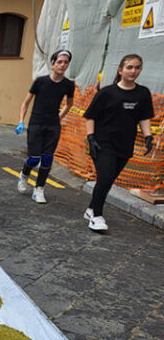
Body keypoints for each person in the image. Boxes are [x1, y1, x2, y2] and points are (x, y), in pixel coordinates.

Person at [83, 54, 153, 231]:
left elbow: (144, 117)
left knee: (108, 181)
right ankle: (96, 216)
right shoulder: (107, 93)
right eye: (129, 67)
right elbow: (90, 117)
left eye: (137, 67)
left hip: (125, 145)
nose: (133, 71)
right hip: (103, 143)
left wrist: (148, 137)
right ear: (120, 70)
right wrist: (91, 138)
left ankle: (91, 208)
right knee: (105, 177)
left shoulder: (143, 93)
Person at [15, 50, 74, 204]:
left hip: (53, 125)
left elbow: (69, 104)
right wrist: (21, 121)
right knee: (34, 159)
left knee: (47, 158)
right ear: (52, 64)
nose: (62, 65)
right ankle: (24, 173)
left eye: (66, 62)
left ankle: (39, 189)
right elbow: (25, 102)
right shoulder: (40, 81)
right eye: (59, 61)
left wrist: (58, 118)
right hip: (36, 123)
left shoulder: (68, 85)